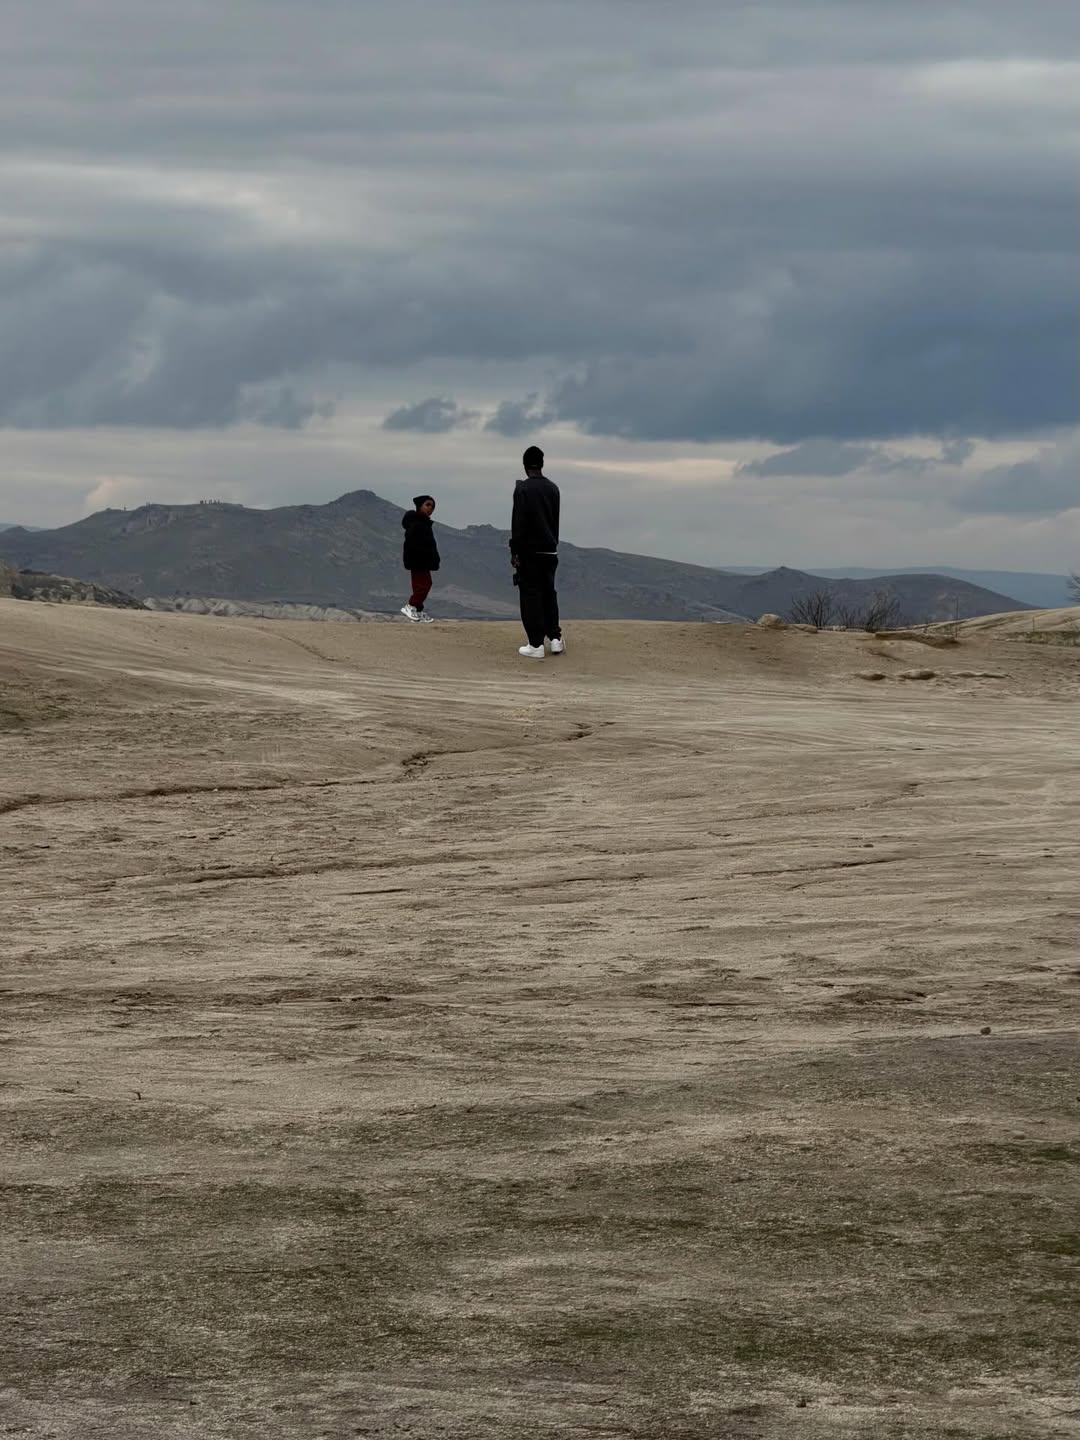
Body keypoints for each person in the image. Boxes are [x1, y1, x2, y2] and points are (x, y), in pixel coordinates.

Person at [510, 446, 564, 659]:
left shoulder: (522, 489)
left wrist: (514, 550)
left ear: (525, 465)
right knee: (549, 593)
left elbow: (518, 523)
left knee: (530, 596)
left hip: (529, 552)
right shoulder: (553, 488)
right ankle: (555, 639)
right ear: (542, 464)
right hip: (550, 551)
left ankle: (536, 644)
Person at [400, 495, 439, 623]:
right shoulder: (416, 523)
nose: (430, 508)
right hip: (418, 561)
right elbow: (412, 543)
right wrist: (418, 557)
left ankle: (417, 610)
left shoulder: (424, 523)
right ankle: (410, 606)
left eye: (432, 507)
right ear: (419, 506)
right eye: (427, 505)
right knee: (423, 585)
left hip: (423, 561)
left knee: (424, 585)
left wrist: (434, 558)